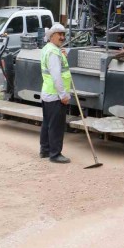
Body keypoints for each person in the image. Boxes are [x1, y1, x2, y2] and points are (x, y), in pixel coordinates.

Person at [39, 23, 72, 164]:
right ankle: (55, 154)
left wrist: (62, 55)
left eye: (64, 34)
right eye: (59, 34)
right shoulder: (53, 52)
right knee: (56, 126)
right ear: (52, 36)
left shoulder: (50, 49)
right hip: (55, 95)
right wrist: (63, 95)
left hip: (48, 93)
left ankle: (45, 150)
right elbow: (56, 76)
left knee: (47, 123)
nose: (62, 37)